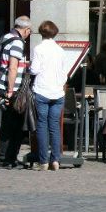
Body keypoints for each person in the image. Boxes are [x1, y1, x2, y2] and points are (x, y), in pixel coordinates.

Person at [0, 15, 32, 168]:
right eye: (30, 31)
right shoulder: (17, 42)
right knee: (14, 125)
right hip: (11, 89)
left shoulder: (5, 37)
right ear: (26, 29)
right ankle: (9, 159)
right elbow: (13, 67)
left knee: (7, 124)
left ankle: (4, 157)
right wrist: (10, 90)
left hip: (0, 86)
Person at [29, 20, 68, 172]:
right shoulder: (61, 51)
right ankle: (56, 159)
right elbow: (65, 73)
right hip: (58, 92)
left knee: (42, 126)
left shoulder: (38, 49)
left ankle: (43, 161)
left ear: (41, 33)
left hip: (42, 90)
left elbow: (34, 70)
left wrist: (29, 67)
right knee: (55, 126)